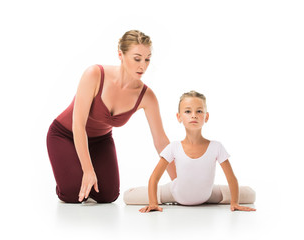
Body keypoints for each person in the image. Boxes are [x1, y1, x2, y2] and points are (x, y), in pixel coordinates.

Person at [46, 30, 173, 203]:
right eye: (137, 59)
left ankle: (81, 175)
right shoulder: (94, 74)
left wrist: (179, 183)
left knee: (108, 195)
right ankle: (70, 176)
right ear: (120, 54)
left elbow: (161, 142)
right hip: (65, 135)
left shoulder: (146, 96)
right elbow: (78, 125)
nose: (143, 65)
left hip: (100, 140)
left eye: (147, 59)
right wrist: (88, 170)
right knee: (72, 194)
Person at [123, 91, 256, 212]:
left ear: (206, 116)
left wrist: (234, 203)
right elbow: (154, 178)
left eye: (199, 111)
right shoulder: (173, 147)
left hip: (207, 194)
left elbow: (231, 178)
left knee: (251, 195)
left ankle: (208, 190)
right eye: (187, 111)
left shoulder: (216, 147)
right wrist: (153, 203)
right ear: (179, 117)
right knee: (128, 197)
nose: (194, 115)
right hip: (175, 193)